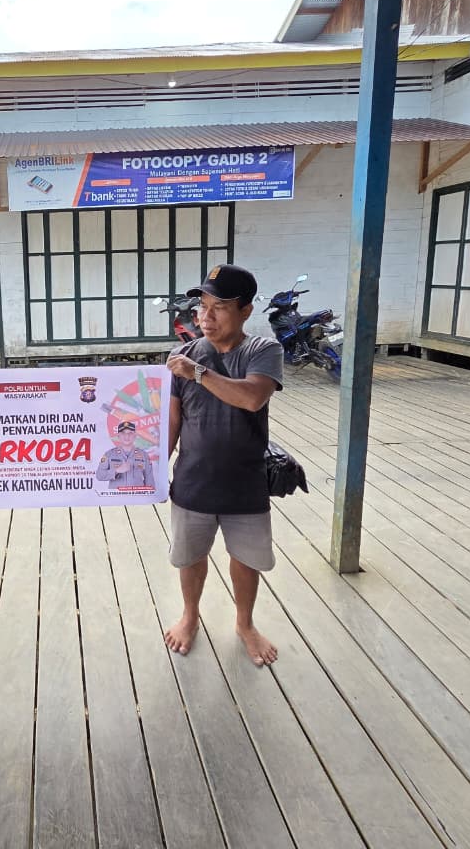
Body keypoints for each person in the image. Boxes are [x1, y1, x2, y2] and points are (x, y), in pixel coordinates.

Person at [164, 263, 284, 667]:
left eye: (219, 307)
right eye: (202, 306)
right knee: (190, 557)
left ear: (246, 311)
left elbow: (253, 397)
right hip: (192, 481)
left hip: (245, 483)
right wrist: (144, 471)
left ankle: (245, 623)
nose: (205, 317)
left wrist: (198, 373)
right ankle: (190, 616)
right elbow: (172, 423)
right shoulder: (184, 356)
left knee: (246, 559)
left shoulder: (262, 351)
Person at [95, 419, 154, 488]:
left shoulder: (144, 455)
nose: (127, 436)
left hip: (137, 497)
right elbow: (99, 475)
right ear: (118, 436)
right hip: (116, 497)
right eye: (123, 433)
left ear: (135, 436)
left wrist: (149, 497)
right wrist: (116, 471)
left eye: (130, 433)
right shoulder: (109, 454)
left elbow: (149, 480)